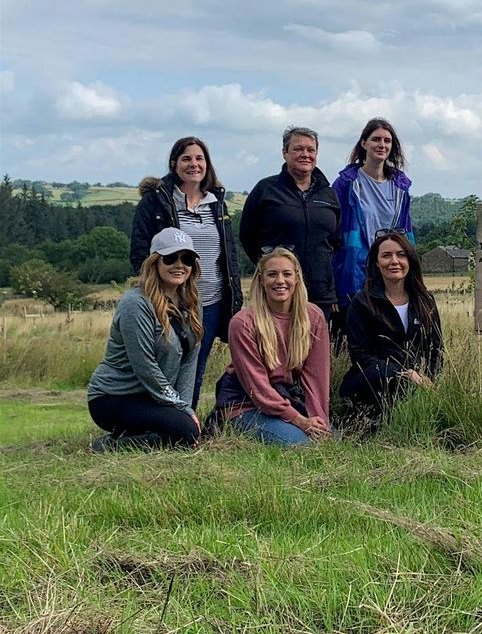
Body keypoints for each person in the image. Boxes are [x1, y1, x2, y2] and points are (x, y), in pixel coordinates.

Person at [131, 137, 242, 407]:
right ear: (174, 164)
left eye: (199, 158)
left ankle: (185, 422)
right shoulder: (156, 203)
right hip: (169, 302)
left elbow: (228, 256)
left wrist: (235, 297)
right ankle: (156, 421)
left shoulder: (217, 204)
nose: (194, 164)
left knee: (195, 367)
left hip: (210, 302)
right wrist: (154, 294)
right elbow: (139, 253)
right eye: (186, 158)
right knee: (163, 363)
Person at [88, 228, 203, 450]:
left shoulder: (192, 302)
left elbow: (190, 360)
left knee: (186, 429)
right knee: (184, 432)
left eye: (187, 259)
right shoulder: (136, 304)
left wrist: (185, 408)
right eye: (170, 258)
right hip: (114, 396)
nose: (179, 265)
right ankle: (108, 446)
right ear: (155, 263)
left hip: (152, 398)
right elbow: (145, 366)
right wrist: (179, 408)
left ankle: (134, 436)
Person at [214, 248, 333, 446]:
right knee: (301, 444)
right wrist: (299, 420)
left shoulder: (314, 317)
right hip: (247, 402)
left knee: (329, 439)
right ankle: (231, 425)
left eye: (287, 274)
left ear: (297, 278)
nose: (280, 281)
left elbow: (317, 378)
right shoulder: (242, 323)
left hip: (287, 396)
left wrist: (318, 421)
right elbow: (257, 388)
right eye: (272, 274)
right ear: (261, 280)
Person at [340, 231, 443, 433]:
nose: (394, 261)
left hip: (419, 386)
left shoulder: (425, 301)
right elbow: (360, 356)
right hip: (373, 384)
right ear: (376, 263)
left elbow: (436, 350)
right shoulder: (361, 303)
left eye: (401, 254)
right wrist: (404, 374)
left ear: (410, 260)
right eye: (386, 255)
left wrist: (429, 380)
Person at [240, 127, 341, 320]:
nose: (305, 155)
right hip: (278, 291)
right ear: (285, 153)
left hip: (320, 293)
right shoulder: (266, 190)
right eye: (298, 149)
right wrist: (269, 267)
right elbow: (247, 236)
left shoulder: (328, 194)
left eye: (311, 150)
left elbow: (335, 241)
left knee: (315, 348)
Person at [332, 118, 416, 312]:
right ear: (364, 143)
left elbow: (407, 237)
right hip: (354, 270)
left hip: (389, 269)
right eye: (376, 139)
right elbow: (333, 235)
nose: (382, 145)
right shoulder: (346, 184)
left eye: (387, 141)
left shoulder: (400, 187)